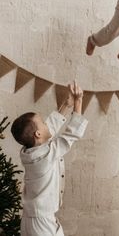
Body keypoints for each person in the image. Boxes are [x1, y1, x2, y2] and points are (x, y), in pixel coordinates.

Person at [11, 81, 88, 236]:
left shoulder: (29, 152)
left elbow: (50, 128)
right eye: (43, 123)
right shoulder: (44, 155)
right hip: (41, 221)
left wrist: (66, 105)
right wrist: (78, 103)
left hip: (31, 218)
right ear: (37, 135)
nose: (47, 124)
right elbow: (70, 136)